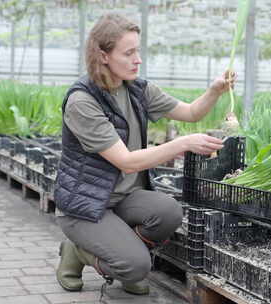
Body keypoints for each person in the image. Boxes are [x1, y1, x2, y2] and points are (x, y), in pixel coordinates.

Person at [55, 13, 235, 296]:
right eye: (128, 53)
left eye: (137, 50)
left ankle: (122, 252)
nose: (137, 59)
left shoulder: (137, 90)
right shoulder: (82, 101)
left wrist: (214, 90)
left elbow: (190, 112)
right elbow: (126, 162)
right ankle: (79, 252)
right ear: (103, 56)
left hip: (124, 198)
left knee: (169, 212)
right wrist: (183, 144)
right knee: (136, 266)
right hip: (87, 206)